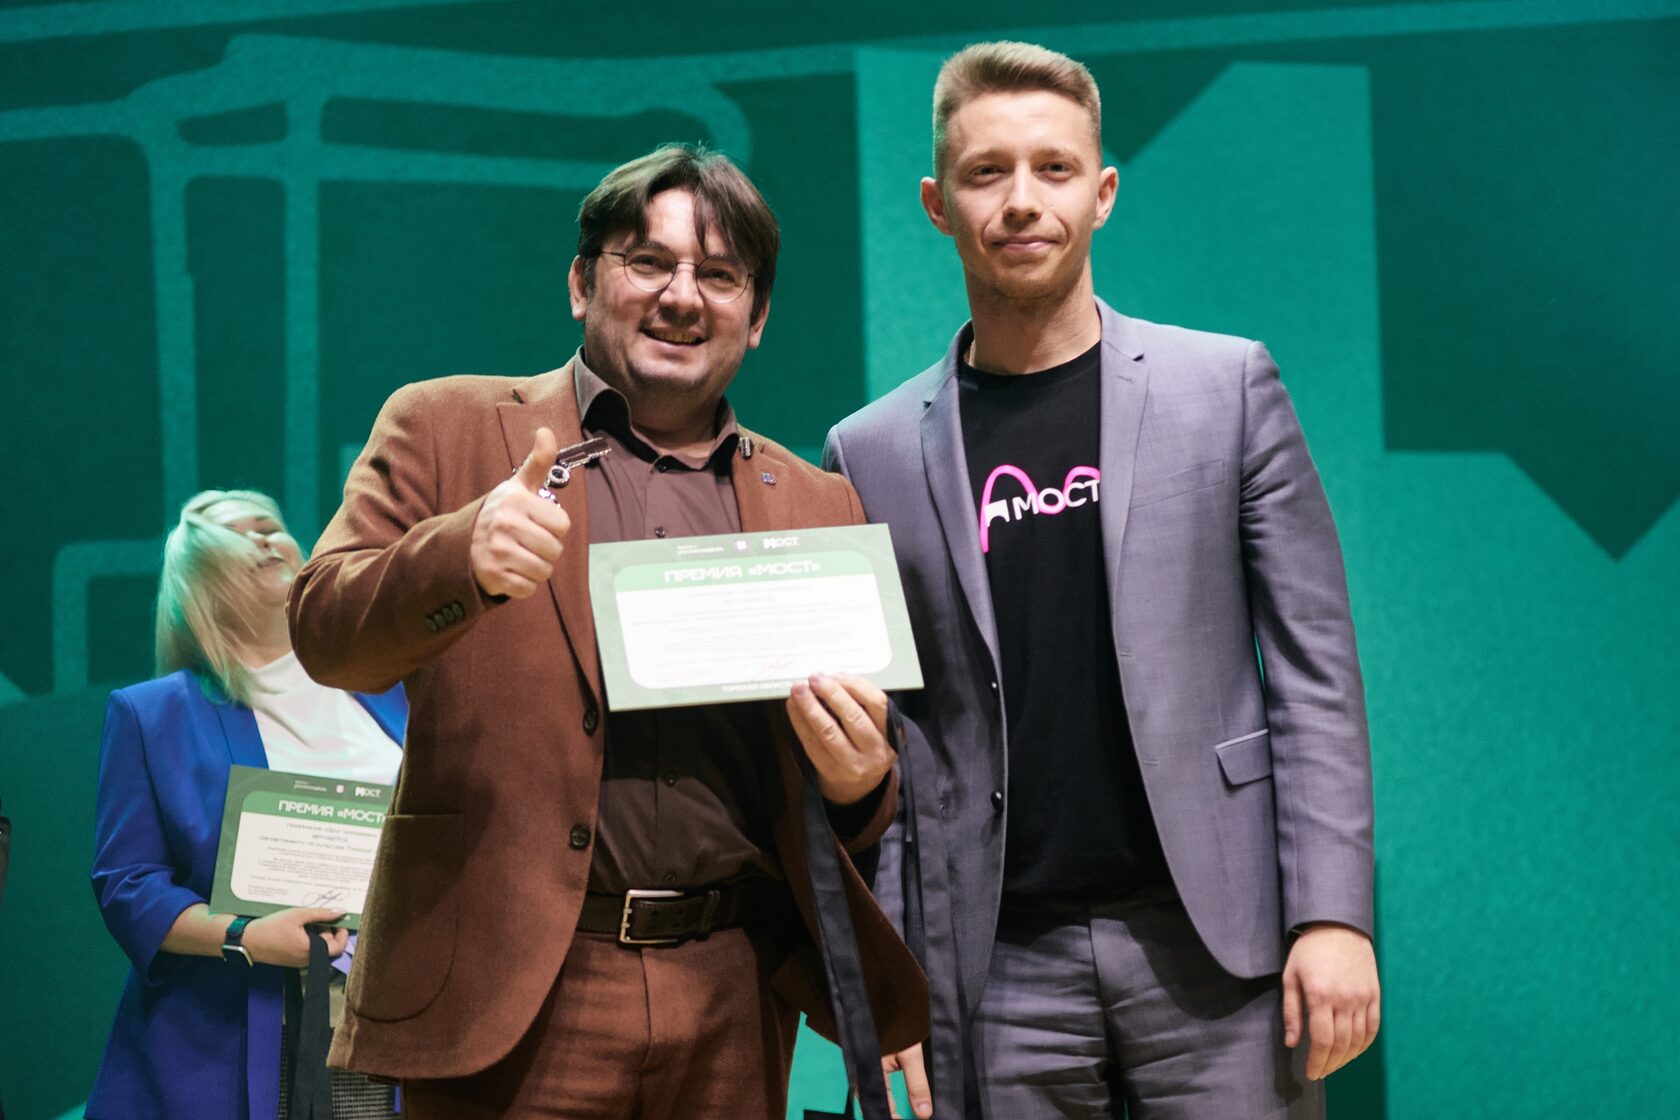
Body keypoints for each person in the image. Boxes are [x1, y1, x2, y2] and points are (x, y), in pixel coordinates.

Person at [287, 143, 926, 1119]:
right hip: (511, 988)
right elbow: (324, 631)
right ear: (582, 283)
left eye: (720, 275)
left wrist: (860, 785)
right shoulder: (445, 427)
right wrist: (461, 555)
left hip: (732, 990)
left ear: (756, 318)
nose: (683, 296)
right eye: (649, 261)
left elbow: (848, 791)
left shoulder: (817, 503)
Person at [826, 41, 1381, 1120]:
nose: (1021, 200)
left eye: (1054, 168)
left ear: (1104, 191)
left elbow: (1316, 672)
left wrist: (1332, 915)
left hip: (1217, 946)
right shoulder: (870, 451)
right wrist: (897, 977)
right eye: (986, 172)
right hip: (994, 966)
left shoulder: (1226, 388)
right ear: (937, 206)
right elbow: (892, 735)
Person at [88, 489, 408, 1120]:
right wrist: (246, 936)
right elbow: (128, 884)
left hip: (396, 1017)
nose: (265, 539)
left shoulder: (392, 687)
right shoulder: (152, 714)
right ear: (194, 585)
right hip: (237, 1034)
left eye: (270, 526)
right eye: (236, 535)